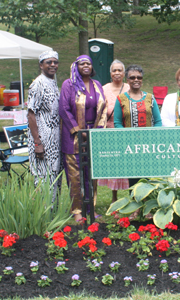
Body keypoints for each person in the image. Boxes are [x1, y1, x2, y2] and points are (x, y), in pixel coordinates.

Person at [59, 55, 107, 221]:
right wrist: (78, 130)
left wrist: (98, 129)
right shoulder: (69, 85)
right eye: (82, 63)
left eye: (88, 63)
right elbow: (64, 109)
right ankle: (77, 210)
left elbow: (103, 107)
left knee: (90, 173)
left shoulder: (96, 85)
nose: (86, 66)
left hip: (92, 134)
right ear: (76, 66)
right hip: (73, 136)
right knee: (75, 174)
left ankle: (90, 207)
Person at [114, 64, 162, 188]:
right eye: (132, 77)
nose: (136, 80)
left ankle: (149, 206)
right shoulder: (121, 99)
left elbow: (158, 121)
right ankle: (135, 206)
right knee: (134, 180)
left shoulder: (150, 98)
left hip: (149, 146)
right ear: (127, 80)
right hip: (130, 147)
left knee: (149, 179)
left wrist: (151, 136)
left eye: (139, 77)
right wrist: (128, 136)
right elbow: (117, 123)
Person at [27, 50, 63, 201]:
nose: (53, 65)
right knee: (43, 179)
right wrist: (37, 143)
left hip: (55, 141)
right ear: (41, 65)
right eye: (49, 62)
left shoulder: (53, 83)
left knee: (55, 177)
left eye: (55, 62)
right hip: (42, 140)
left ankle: (54, 215)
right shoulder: (37, 84)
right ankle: (44, 215)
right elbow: (31, 113)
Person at [97, 59, 130, 202]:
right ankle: (114, 198)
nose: (117, 73)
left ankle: (132, 198)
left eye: (119, 70)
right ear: (110, 73)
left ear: (124, 73)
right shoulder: (103, 89)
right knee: (115, 167)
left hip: (127, 132)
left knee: (129, 168)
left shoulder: (130, 88)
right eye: (114, 70)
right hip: (109, 133)